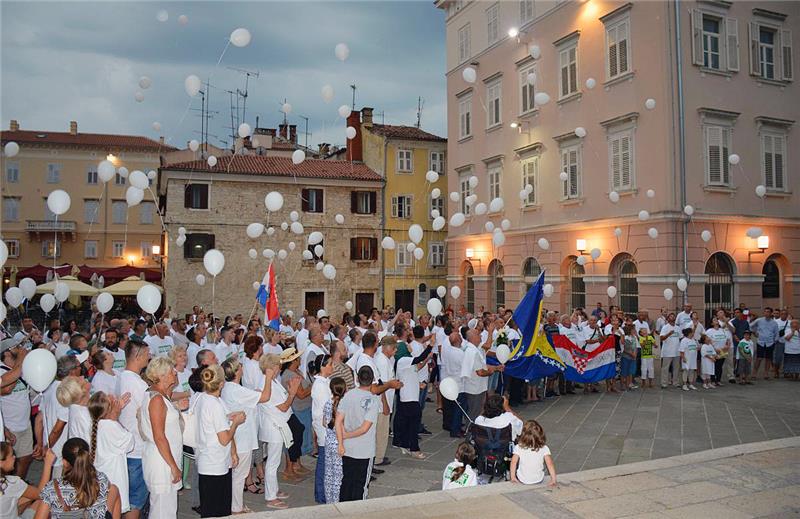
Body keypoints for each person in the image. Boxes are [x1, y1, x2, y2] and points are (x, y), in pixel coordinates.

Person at [220, 357, 273, 513]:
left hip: (240, 436)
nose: (242, 368)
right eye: (239, 367)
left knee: (238, 474)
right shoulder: (236, 389)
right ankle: (236, 508)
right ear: (236, 372)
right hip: (241, 438)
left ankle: (237, 504)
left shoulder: (231, 388)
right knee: (239, 475)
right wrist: (269, 377)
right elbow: (265, 397)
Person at [195, 364, 246, 518]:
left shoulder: (202, 397)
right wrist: (236, 423)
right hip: (214, 463)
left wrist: (229, 417)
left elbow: (215, 421)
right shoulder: (215, 404)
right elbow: (224, 439)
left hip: (212, 460)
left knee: (215, 506)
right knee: (216, 510)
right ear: (221, 384)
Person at [141, 357, 184, 518]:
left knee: (168, 507)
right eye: (172, 371)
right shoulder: (157, 400)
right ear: (163, 375)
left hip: (164, 457)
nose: (175, 373)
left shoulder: (159, 395)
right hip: (162, 461)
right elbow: (159, 436)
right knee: (161, 510)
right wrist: (173, 466)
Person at [36, 437, 122, 519]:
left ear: (65, 462)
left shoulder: (52, 488)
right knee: (114, 489)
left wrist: (47, 464)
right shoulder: (101, 478)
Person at [258, 352, 301, 510]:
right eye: (277, 365)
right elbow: (283, 406)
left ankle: (274, 490)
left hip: (277, 424)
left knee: (274, 462)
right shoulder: (266, 382)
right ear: (271, 367)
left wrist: (289, 392)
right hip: (274, 426)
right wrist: (292, 393)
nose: (279, 367)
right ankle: (271, 497)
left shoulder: (272, 381)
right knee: (272, 462)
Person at [114, 339, 150, 518]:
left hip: (128, 444)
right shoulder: (137, 383)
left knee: (128, 498)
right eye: (147, 354)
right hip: (137, 447)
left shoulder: (121, 376)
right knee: (135, 501)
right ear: (138, 356)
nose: (149, 358)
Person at [337, 366, 380, 502]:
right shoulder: (373, 400)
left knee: (347, 481)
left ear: (357, 379)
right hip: (364, 450)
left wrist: (341, 442)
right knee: (360, 485)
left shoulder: (348, 395)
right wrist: (346, 436)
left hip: (348, 448)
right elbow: (364, 428)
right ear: (372, 380)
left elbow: (338, 421)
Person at [88, 391, 134, 514]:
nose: (114, 398)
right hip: (113, 476)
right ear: (108, 410)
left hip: (103, 473)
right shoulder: (110, 426)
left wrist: (114, 415)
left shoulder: (97, 424)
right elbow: (129, 443)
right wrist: (116, 416)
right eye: (111, 399)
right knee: (113, 510)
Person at [41, 356, 80, 479]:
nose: (81, 369)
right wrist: (47, 447)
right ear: (72, 371)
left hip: (50, 443)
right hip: (59, 449)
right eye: (79, 366)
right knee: (59, 485)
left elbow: (39, 418)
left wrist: (41, 444)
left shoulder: (50, 386)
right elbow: (59, 425)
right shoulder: (64, 390)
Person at [393, 338, 431, 459]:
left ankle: (404, 444)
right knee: (414, 422)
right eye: (407, 345)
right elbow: (419, 359)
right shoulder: (403, 360)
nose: (409, 346)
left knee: (408, 422)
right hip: (409, 397)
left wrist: (418, 384)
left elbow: (409, 375)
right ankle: (414, 448)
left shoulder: (406, 361)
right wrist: (430, 346)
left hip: (410, 395)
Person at [0, 341, 32, 478]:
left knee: (25, 459)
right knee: (7, 464)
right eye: (16, 346)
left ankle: (19, 488)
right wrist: (21, 359)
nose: (20, 348)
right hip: (10, 426)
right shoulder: (1, 369)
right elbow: (7, 389)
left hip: (25, 424)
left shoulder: (20, 368)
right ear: (6, 352)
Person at [0, 442, 54, 519]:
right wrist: (48, 463)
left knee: (26, 495)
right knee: (48, 499)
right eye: (12, 455)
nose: (14, 457)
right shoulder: (11, 482)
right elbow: (42, 494)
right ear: (1, 462)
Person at [311, 354, 334, 504]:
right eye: (330, 364)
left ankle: (325, 492)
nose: (333, 366)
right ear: (322, 367)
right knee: (324, 462)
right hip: (324, 427)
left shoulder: (326, 381)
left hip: (328, 425)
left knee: (327, 461)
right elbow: (324, 410)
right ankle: (321, 495)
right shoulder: (319, 385)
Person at [509, 420, 556, 486]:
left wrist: (512, 477)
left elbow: (513, 462)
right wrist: (553, 480)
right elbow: (550, 464)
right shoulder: (544, 448)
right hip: (538, 479)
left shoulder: (519, 447)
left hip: (522, 479)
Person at [324, 377, 347, 504]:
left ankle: (329, 502)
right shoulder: (343, 406)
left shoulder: (328, 403)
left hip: (328, 442)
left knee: (329, 474)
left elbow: (324, 422)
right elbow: (341, 427)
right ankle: (337, 503)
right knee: (338, 477)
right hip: (339, 443)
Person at [751, 307, 779, 379]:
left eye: (768, 312)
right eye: (765, 311)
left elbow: (776, 333)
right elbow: (750, 326)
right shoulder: (759, 320)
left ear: (771, 313)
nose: (766, 313)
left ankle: (766, 373)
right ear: (763, 313)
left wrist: (774, 341)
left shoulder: (774, 323)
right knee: (759, 358)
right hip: (760, 342)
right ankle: (754, 373)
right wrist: (754, 332)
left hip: (770, 342)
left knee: (768, 359)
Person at [659, 313, 681, 388]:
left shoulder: (678, 328)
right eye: (671, 316)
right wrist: (669, 334)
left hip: (677, 351)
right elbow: (661, 338)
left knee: (676, 368)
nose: (673, 317)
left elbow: (680, 338)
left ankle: (675, 382)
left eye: (673, 316)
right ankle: (664, 383)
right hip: (667, 352)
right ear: (668, 319)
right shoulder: (665, 327)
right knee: (665, 368)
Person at [679, 327, 698, 391]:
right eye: (692, 332)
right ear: (689, 333)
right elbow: (681, 351)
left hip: (693, 359)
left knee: (691, 371)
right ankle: (684, 384)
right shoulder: (684, 340)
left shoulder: (693, 340)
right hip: (686, 359)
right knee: (686, 371)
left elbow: (696, 348)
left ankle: (691, 384)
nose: (693, 333)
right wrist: (683, 358)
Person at [620, 324, 639, 390]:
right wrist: (631, 354)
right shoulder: (625, 338)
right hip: (626, 357)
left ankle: (628, 384)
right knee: (624, 371)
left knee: (630, 371)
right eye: (633, 329)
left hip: (633, 357)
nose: (634, 330)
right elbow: (624, 348)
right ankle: (622, 385)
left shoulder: (634, 337)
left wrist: (635, 354)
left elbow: (636, 347)